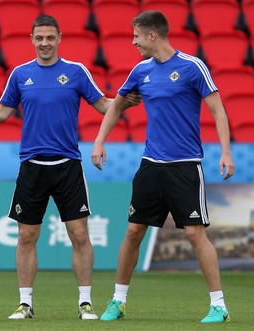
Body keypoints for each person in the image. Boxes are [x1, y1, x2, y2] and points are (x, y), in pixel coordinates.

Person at [0, 14, 139, 320]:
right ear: (32, 40)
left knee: (79, 235)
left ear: (59, 38)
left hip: (68, 167)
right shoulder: (20, 74)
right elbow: (0, 112)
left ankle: (85, 303)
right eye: (39, 38)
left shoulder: (76, 72)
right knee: (26, 237)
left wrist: (126, 100)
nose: (45, 43)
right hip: (31, 167)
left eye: (50, 37)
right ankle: (25, 304)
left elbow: (103, 105)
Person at [91, 10, 234, 324]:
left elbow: (218, 111)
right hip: (150, 165)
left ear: (152, 35)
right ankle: (118, 301)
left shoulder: (192, 66)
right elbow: (117, 103)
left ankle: (218, 305)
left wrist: (225, 152)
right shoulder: (140, 71)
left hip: (185, 166)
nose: (134, 42)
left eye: (137, 36)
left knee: (196, 235)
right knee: (132, 231)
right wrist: (100, 140)